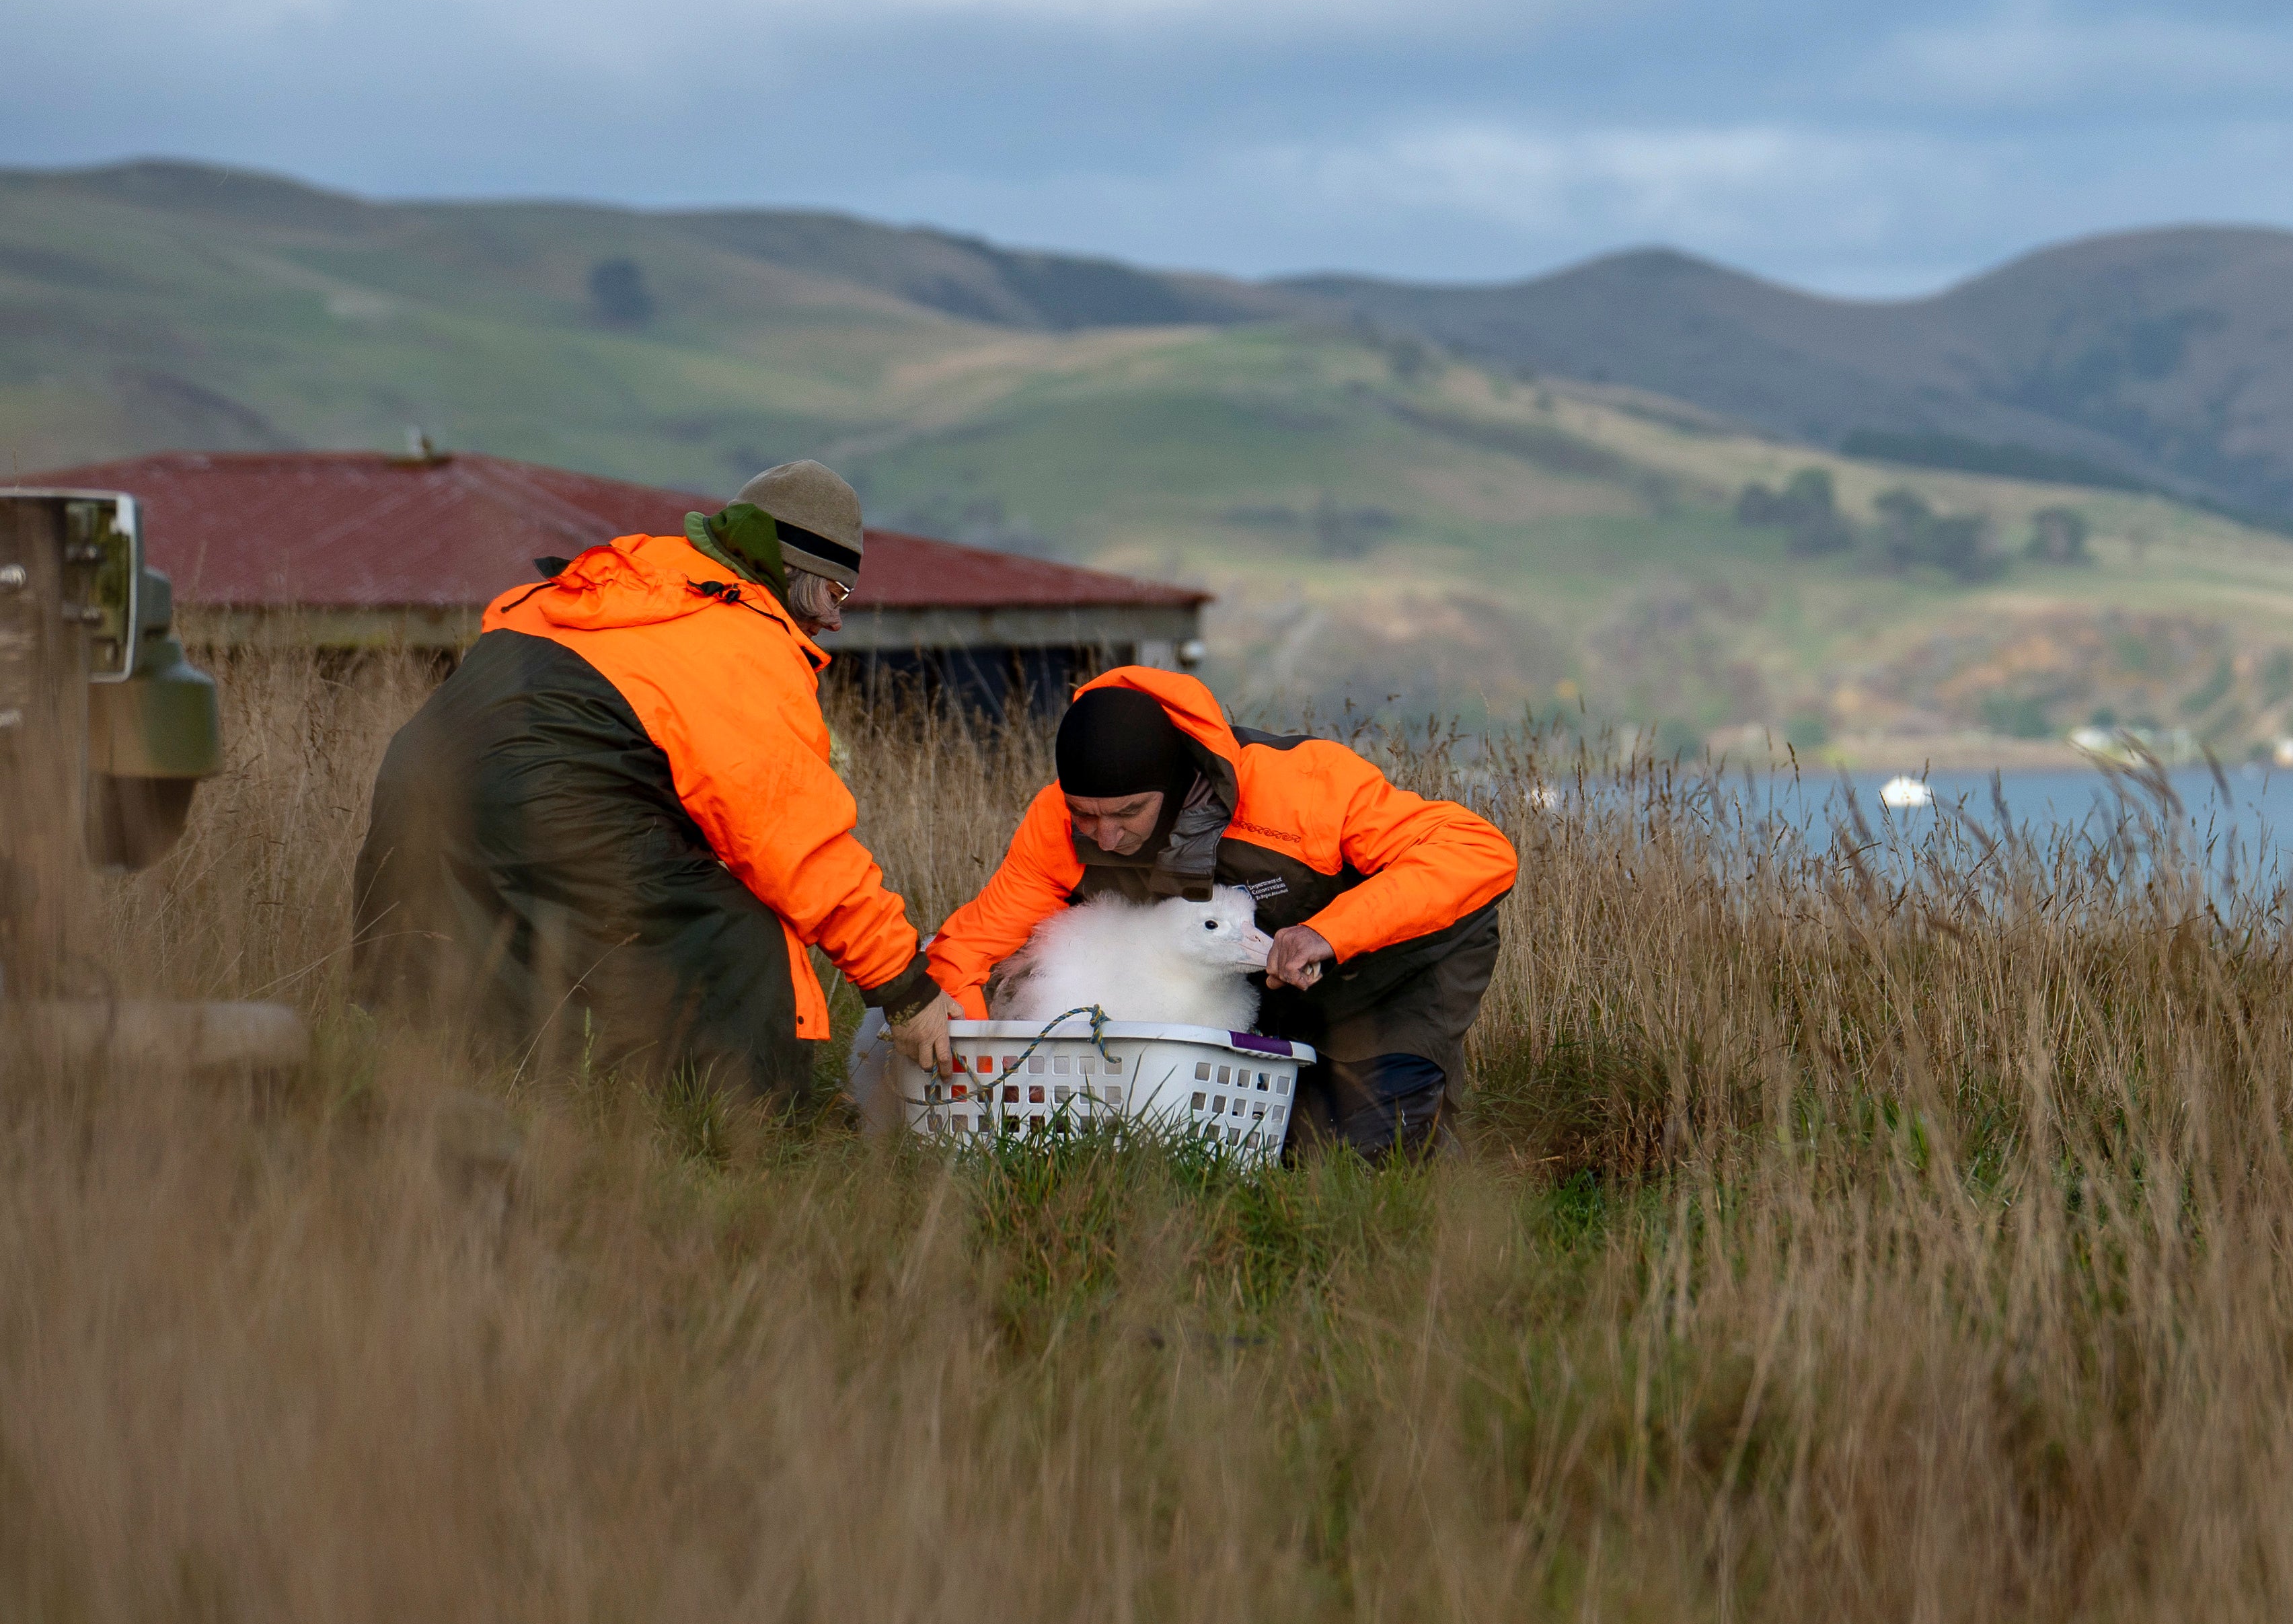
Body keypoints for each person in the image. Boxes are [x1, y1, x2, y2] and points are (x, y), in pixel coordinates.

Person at [352, 461, 950, 1104]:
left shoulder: (646, 582)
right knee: (741, 933)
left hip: (417, 783)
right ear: (798, 575)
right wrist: (905, 988)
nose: (836, 621)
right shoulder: (740, 641)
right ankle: (755, 1123)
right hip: (541, 800)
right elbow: (798, 847)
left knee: (491, 986)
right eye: (837, 595)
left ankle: (478, 1101)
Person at [925, 668, 1513, 1159]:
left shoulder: (1304, 785)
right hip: (1266, 997)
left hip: (1389, 982)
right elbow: (974, 946)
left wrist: (1327, 933)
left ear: (1175, 784)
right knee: (1239, 1156)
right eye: (1085, 815)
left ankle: (1437, 1164)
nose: (1104, 837)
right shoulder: (1055, 822)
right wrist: (982, 1080)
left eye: (1128, 813)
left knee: (1351, 1164)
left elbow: (1477, 851)